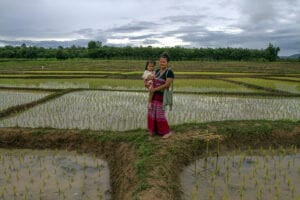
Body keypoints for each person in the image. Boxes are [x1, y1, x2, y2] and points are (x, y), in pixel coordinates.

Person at [148, 52, 174, 139]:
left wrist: (155, 89)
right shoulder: (157, 71)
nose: (161, 63)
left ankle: (167, 132)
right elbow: (152, 81)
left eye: (163, 62)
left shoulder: (169, 72)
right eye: (160, 61)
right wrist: (148, 84)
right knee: (152, 113)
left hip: (162, 97)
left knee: (160, 114)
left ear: (167, 63)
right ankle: (154, 131)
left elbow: (167, 85)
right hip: (153, 96)